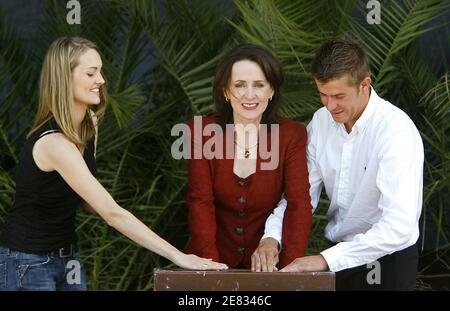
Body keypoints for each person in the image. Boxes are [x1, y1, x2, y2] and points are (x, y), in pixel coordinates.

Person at [0, 37, 227, 291]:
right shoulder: (55, 144)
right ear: (64, 78)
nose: (102, 80)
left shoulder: (88, 126)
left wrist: (117, 208)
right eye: (91, 73)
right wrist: (178, 256)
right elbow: (110, 214)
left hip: (67, 258)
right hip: (28, 262)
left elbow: (88, 204)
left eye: (100, 71)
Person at [258, 37, 424, 290]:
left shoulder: (395, 131)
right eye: (323, 94)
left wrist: (325, 260)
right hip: (339, 257)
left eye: (338, 96)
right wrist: (272, 236)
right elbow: (300, 195)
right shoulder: (321, 121)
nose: (330, 105)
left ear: (364, 84)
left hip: (389, 261)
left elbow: (399, 226)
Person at [184, 44, 312, 271]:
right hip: (207, 263)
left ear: (271, 91)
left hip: (268, 267)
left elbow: (298, 204)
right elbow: (200, 202)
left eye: (259, 85)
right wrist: (212, 270)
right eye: (240, 85)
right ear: (225, 91)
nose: (250, 94)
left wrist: (289, 271)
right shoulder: (200, 133)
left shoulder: (292, 135)